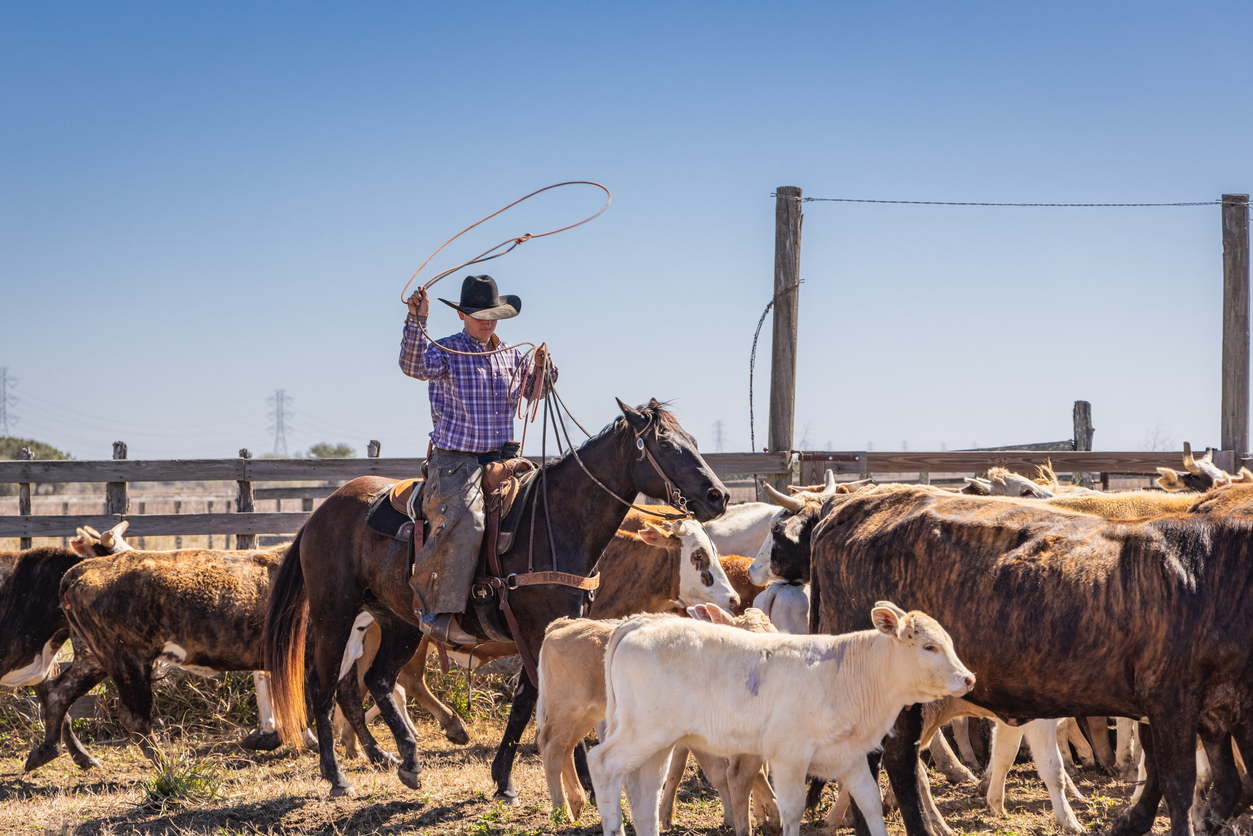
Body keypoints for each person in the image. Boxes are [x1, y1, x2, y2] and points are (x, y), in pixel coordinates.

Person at [399, 274, 554, 644]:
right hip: (457, 462)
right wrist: (417, 320)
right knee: (468, 521)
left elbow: (534, 392)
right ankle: (436, 612)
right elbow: (412, 365)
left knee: (548, 505)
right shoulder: (446, 350)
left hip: (504, 458)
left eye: (493, 315)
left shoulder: (511, 355)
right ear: (462, 316)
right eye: (480, 315)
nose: (488, 322)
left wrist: (546, 372)